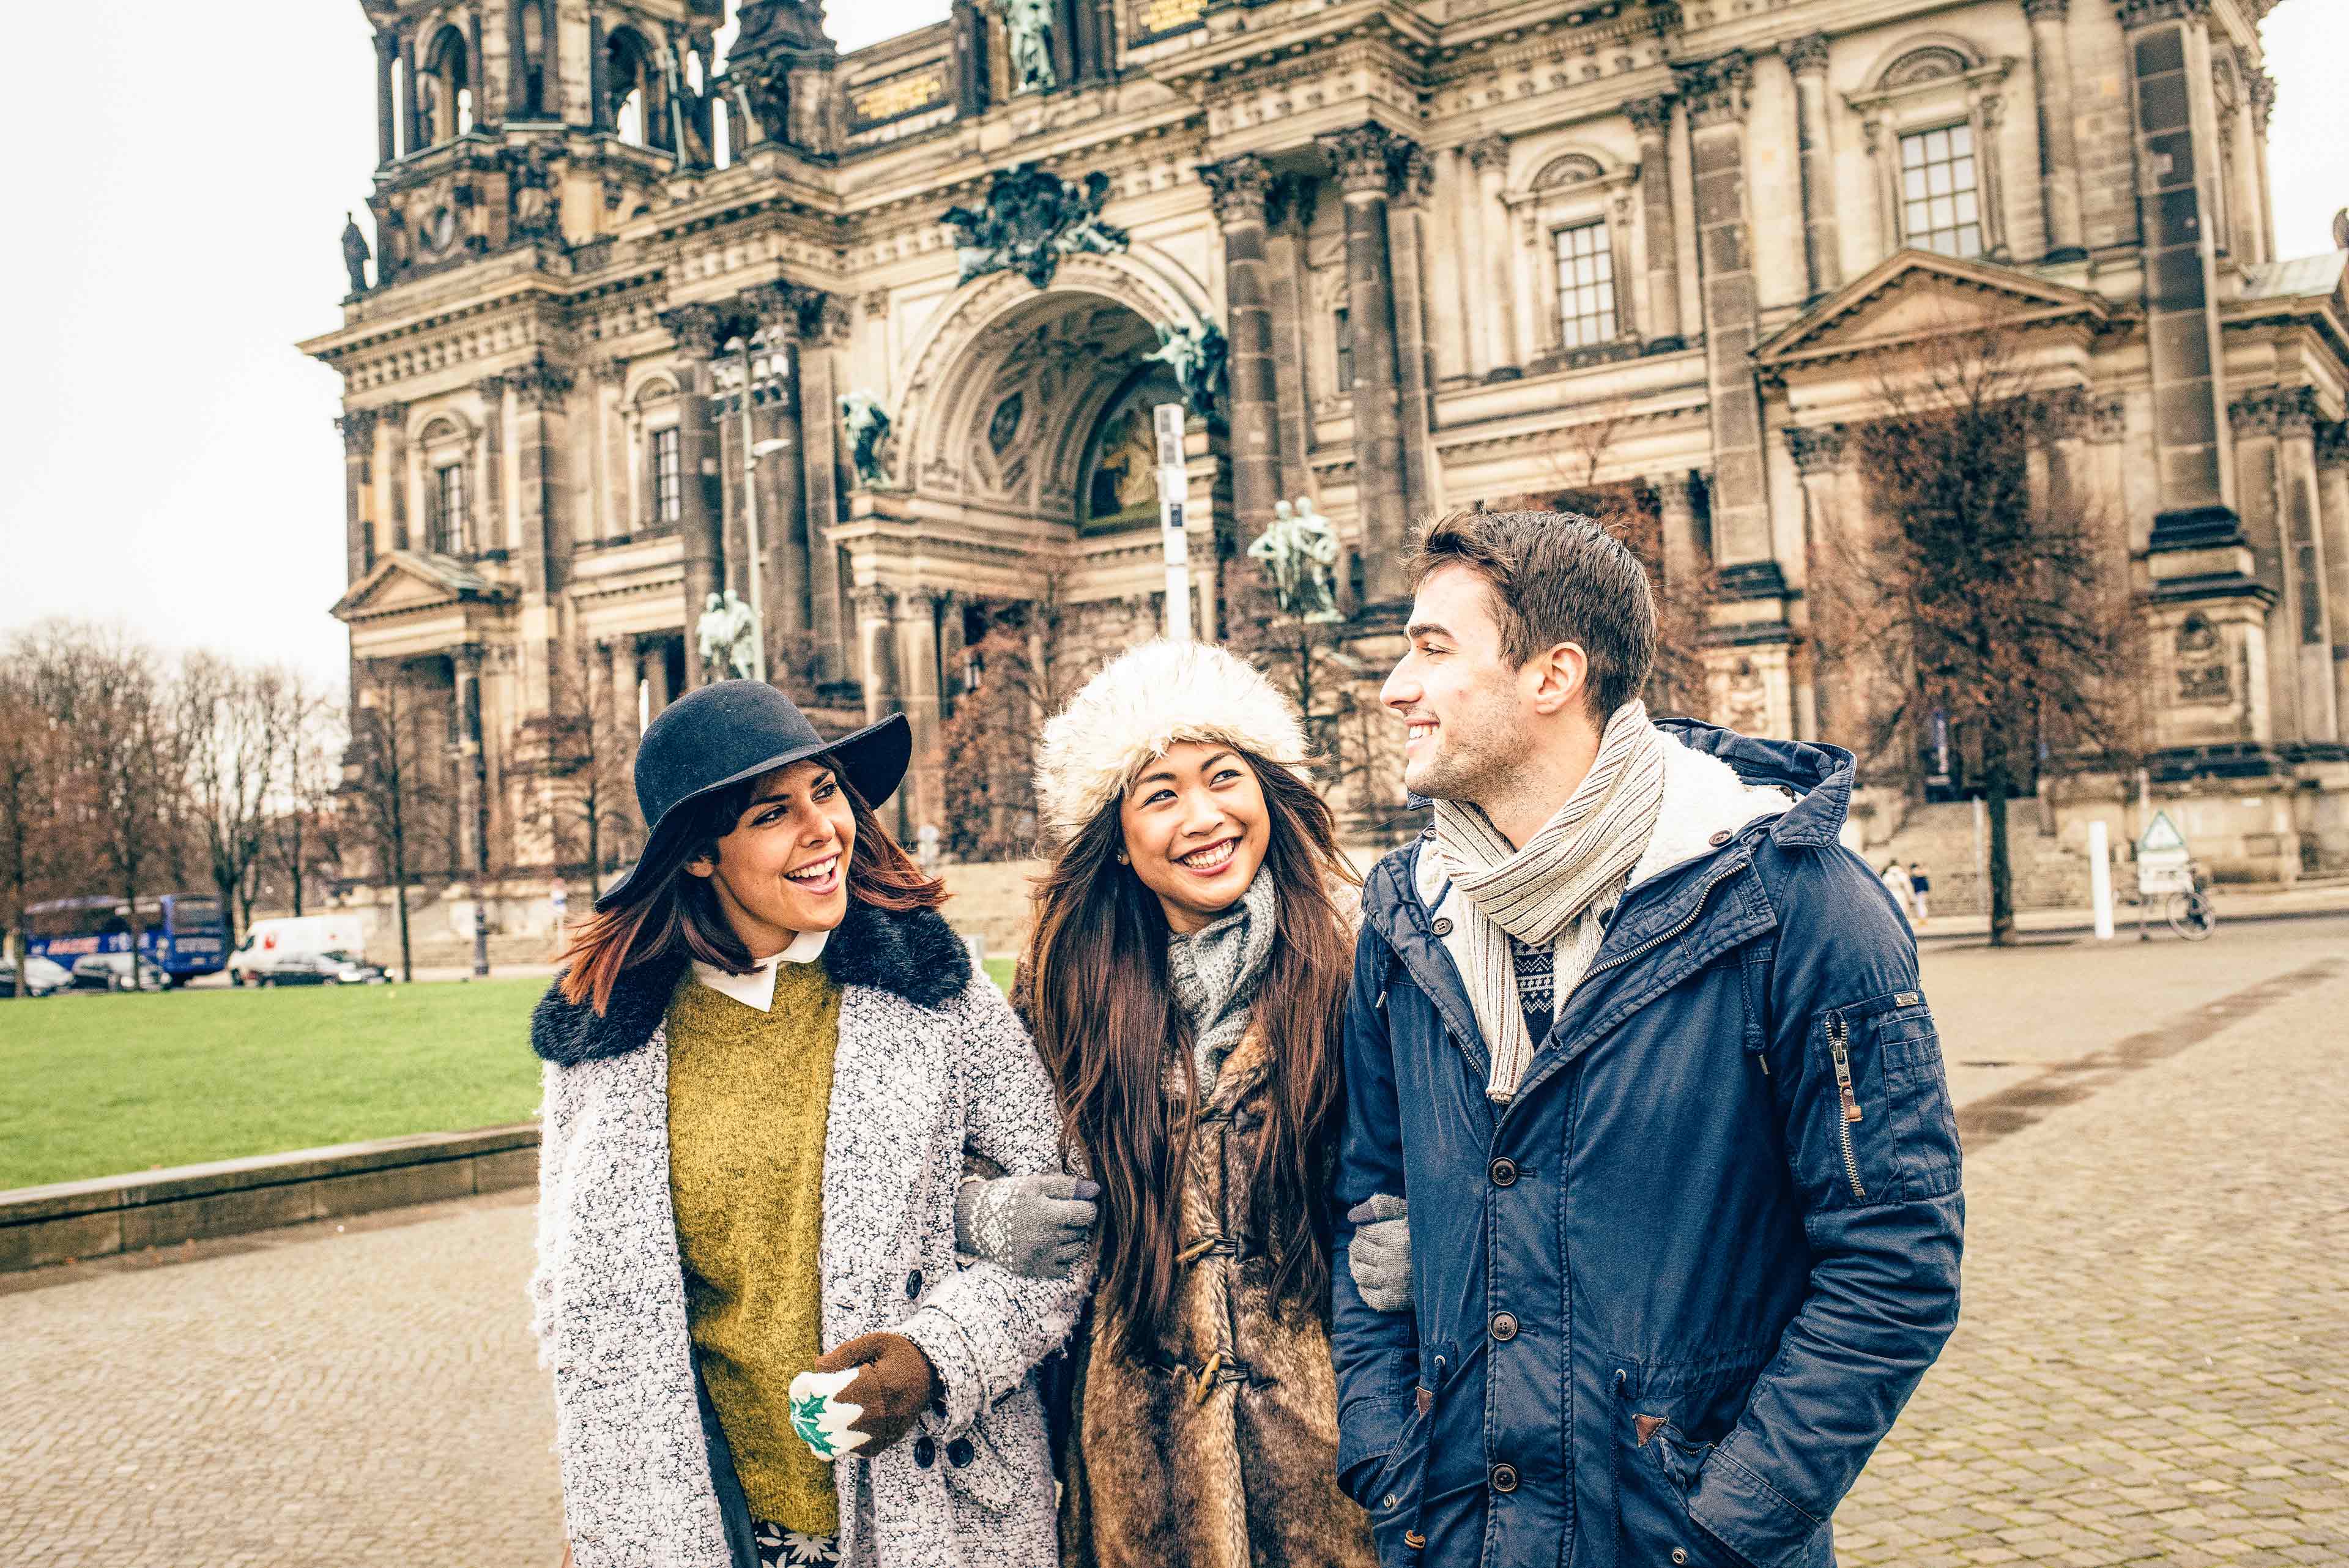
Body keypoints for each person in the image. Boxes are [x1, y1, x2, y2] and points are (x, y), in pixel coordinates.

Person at [1330, 511, 1963, 1568]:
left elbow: (1896, 1262)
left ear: (1554, 675)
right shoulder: (1402, 918)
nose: (1396, 687)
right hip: (1460, 1534)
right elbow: (1370, 1211)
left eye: (1433, 649)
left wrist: (1724, 1522)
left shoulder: (1797, 904)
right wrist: (1386, 1458)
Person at [529, 680, 1086, 1568]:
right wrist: (605, 1520)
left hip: (940, 1506)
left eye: (826, 791)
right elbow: (583, 1312)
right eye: (772, 813)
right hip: (726, 1524)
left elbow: (1066, 1224)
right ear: (699, 854)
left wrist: (933, 1358)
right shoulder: (605, 1040)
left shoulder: (933, 988)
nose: (823, 828)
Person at [963, 640, 1378, 1568]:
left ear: (1268, 789)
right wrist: (983, 1209)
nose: (1203, 817)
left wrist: (1416, 1234)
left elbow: (1440, 1152)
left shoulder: (1356, 959)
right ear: (1116, 835)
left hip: (1337, 1473)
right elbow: (968, 1155)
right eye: (1160, 794)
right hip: (1137, 1489)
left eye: (1224, 776)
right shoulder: (1063, 986)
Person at [1880, 860, 1918, 929]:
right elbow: (1908, 887)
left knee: (1893, 912)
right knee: (1903, 911)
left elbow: (1884, 888)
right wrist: (1912, 897)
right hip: (1901, 894)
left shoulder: (1887, 876)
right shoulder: (1903, 875)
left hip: (1891, 894)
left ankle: (1894, 926)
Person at [1908, 861, 1932, 927]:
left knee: (1920, 905)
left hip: (1920, 891)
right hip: (1922, 891)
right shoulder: (1922, 875)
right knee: (1921, 905)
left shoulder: (1916, 875)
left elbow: (1913, 883)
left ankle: (1922, 919)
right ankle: (1923, 919)